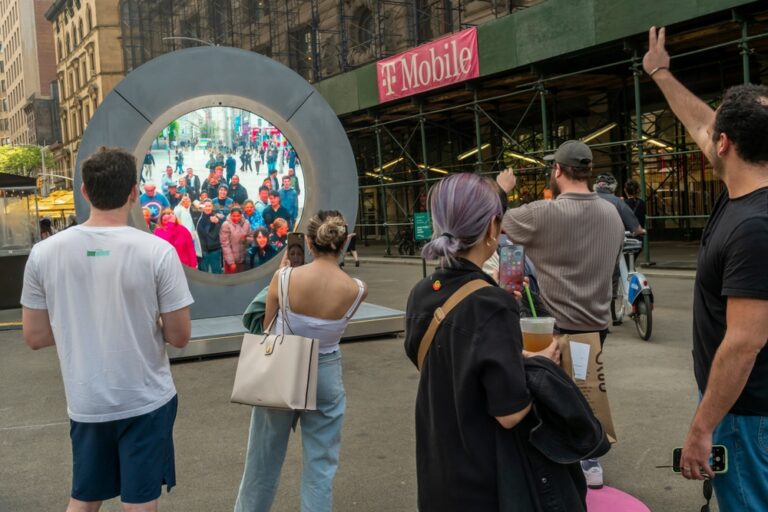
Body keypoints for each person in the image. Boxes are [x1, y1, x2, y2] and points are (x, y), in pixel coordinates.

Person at [21, 146, 193, 512]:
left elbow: (34, 336)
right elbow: (179, 336)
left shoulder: (44, 253)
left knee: (84, 498)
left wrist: (79, 324)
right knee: (140, 502)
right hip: (145, 398)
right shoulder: (158, 251)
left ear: (84, 191)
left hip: (86, 401)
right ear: (134, 192)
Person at [404, 173, 581, 511]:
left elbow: (453, 360)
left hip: (439, 469)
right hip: (484, 479)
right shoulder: (491, 304)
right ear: (491, 228)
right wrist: (541, 360)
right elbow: (511, 413)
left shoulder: (422, 293)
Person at [644, 26, 768, 509]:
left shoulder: (754, 227)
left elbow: (744, 343)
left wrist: (703, 427)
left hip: (745, 413)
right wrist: (660, 73)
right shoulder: (744, 189)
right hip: (743, 408)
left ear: (724, 146)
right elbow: (701, 124)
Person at [498, 141, 624, 489]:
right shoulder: (611, 213)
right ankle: (589, 458)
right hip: (596, 326)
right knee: (584, 391)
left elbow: (494, 222)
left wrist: (501, 189)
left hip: (552, 327)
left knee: (548, 396)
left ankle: (557, 464)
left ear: (557, 171)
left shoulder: (544, 213)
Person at [234, 211, 367, 512]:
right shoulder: (357, 289)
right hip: (326, 371)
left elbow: (267, 328)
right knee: (320, 467)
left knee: (262, 461)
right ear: (344, 242)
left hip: (283, 367)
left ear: (308, 242)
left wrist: (279, 277)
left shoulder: (284, 277)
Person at [220, 206, 252, 274]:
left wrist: (245, 239)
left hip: (243, 259)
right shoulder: (226, 225)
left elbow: (251, 238)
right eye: (233, 216)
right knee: (231, 281)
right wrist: (231, 262)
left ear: (241, 215)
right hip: (230, 261)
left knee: (241, 280)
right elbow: (225, 245)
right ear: (230, 215)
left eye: (238, 216)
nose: (236, 218)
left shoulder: (246, 223)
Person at [196, 199, 224, 274]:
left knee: (216, 271)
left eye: (209, 206)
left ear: (212, 207)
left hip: (215, 249)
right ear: (202, 207)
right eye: (205, 206)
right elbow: (193, 202)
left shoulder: (217, 216)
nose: (207, 208)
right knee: (204, 272)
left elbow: (224, 225)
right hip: (203, 250)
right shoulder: (198, 217)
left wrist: (218, 222)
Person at [174, 194, 203, 262]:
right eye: (184, 200)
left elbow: (203, 208)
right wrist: (180, 203)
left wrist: (196, 203)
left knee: (194, 256)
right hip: (184, 238)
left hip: (194, 236)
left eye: (188, 199)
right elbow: (175, 212)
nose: (186, 202)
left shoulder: (193, 208)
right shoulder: (179, 210)